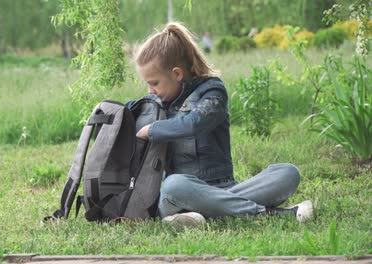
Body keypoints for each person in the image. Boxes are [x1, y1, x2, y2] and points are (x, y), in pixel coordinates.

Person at [126, 22, 313, 228]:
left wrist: (152, 130)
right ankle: (267, 213)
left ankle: (200, 213)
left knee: (287, 173)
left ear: (177, 74)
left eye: (154, 83)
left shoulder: (213, 91)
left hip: (225, 189)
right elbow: (124, 116)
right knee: (173, 185)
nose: (150, 90)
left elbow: (193, 123)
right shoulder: (154, 103)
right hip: (182, 192)